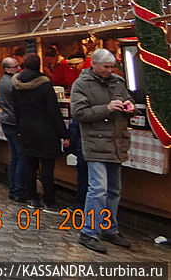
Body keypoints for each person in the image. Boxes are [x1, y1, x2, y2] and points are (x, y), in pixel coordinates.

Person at [71, 48, 136, 253]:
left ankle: (109, 228)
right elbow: (79, 113)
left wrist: (129, 105)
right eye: (106, 67)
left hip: (116, 142)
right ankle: (89, 232)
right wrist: (106, 108)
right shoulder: (81, 84)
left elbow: (129, 99)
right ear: (94, 64)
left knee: (114, 190)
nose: (109, 70)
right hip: (96, 143)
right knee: (98, 189)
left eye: (112, 66)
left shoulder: (118, 82)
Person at [12, 53, 69, 211]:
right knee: (47, 167)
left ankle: (32, 197)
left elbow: (16, 109)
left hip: (26, 128)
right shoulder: (44, 85)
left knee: (30, 164)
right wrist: (63, 134)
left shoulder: (16, 84)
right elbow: (53, 111)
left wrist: (19, 128)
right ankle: (49, 199)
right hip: (45, 129)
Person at [0, 54, 27, 203]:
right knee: (20, 156)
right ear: (8, 69)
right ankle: (18, 189)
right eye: (16, 66)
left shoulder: (4, 81)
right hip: (14, 123)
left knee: (15, 156)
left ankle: (13, 187)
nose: (19, 68)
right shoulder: (12, 83)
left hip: (8, 121)